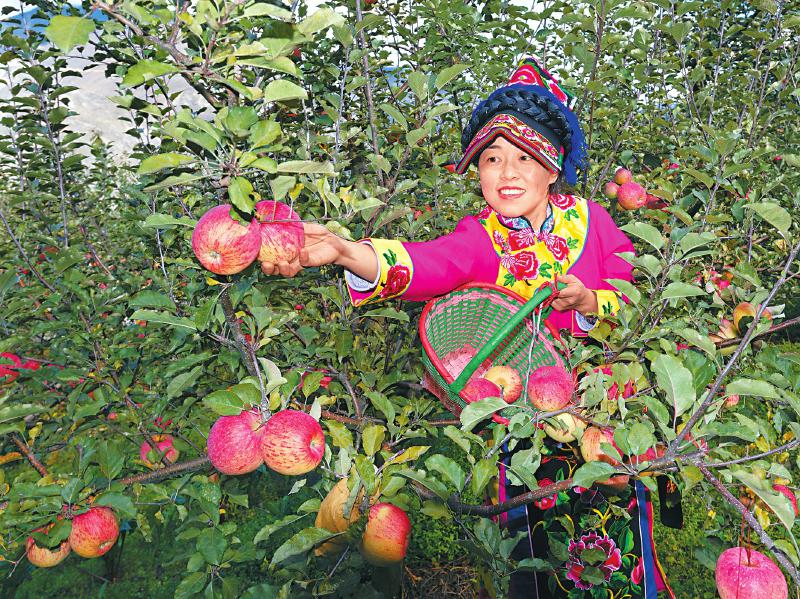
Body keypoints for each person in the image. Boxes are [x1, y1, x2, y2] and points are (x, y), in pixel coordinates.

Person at [262, 57, 677, 598]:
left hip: (603, 412)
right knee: (533, 547)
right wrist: (345, 251)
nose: (507, 173)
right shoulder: (481, 236)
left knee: (615, 545)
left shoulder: (593, 221)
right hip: (520, 422)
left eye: (524, 157)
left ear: (552, 168)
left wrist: (590, 301)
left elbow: (632, 296)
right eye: (491, 158)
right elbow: (428, 263)